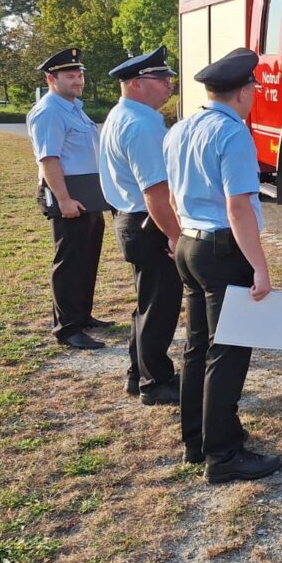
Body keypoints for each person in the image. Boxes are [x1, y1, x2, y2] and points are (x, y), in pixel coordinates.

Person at [164, 47, 281, 484]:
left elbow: (173, 193)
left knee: (198, 349)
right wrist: (261, 269)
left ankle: (196, 441)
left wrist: (180, 236)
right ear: (245, 91)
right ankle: (223, 454)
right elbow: (238, 208)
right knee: (227, 353)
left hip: (190, 243)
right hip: (220, 247)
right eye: (254, 88)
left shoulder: (181, 127)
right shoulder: (233, 135)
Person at [99, 46, 183, 404]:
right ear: (135, 84)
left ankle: (138, 373)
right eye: (160, 78)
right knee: (161, 304)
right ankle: (156, 381)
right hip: (149, 222)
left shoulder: (122, 115)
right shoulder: (141, 124)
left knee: (148, 302)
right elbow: (155, 192)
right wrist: (175, 235)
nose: (168, 84)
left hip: (131, 219)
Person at [26, 47, 110, 350]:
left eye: (80, 75)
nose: (78, 81)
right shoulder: (49, 111)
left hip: (87, 194)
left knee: (87, 258)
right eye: (70, 76)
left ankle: (82, 315)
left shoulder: (73, 108)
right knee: (70, 261)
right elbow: (49, 159)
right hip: (67, 194)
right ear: (51, 78)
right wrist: (63, 199)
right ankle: (67, 328)